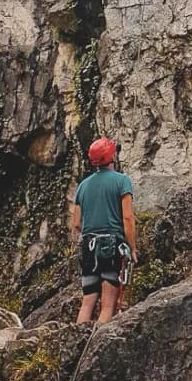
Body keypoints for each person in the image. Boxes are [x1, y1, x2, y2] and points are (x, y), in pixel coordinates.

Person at [70, 136, 136, 323]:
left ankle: (78, 343)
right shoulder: (122, 181)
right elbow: (128, 218)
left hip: (89, 247)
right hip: (111, 245)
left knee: (87, 302)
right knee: (108, 306)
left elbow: (76, 223)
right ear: (112, 157)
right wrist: (132, 248)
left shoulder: (83, 186)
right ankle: (97, 349)